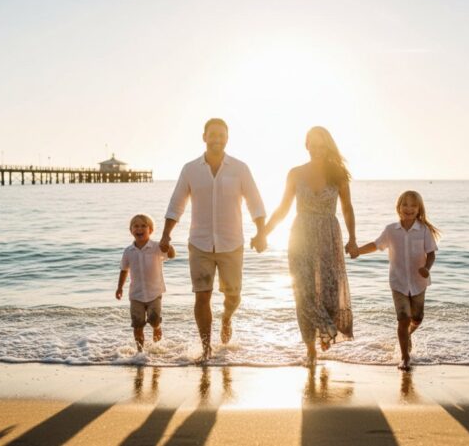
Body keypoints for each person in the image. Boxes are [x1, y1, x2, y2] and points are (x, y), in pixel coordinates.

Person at [160, 118, 266, 360]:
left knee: (233, 296)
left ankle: (227, 317)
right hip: (200, 243)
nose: (217, 139)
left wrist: (261, 232)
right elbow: (177, 203)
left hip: (232, 243)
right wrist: (166, 234)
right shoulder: (190, 169)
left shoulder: (240, 168)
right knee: (202, 295)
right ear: (204, 137)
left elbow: (255, 201)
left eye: (221, 135)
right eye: (213, 134)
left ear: (227, 139)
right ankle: (206, 348)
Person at [257, 126, 356, 366]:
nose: (318, 149)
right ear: (307, 145)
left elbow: (347, 208)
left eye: (322, 145)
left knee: (330, 292)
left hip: (329, 236)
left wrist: (352, 238)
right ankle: (311, 347)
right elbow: (283, 208)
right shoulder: (295, 173)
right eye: (314, 144)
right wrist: (263, 233)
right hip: (300, 236)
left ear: (328, 146)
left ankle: (325, 331)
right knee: (303, 292)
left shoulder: (338, 174)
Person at [354, 190, 440, 370]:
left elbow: (431, 254)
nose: (409, 208)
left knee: (417, 317)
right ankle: (405, 357)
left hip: (419, 282)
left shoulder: (423, 230)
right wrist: (358, 251)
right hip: (398, 282)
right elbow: (376, 245)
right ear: (398, 207)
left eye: (413, 205)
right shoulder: (391, 230)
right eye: (405, 205)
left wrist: (426, 268)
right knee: (403, 318)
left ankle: (407, 335)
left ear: (419, 209)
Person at [115, 214, 175, 352]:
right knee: (137, 324)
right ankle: (140, 352)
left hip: (155, 292)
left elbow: (171, 255)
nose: (139, 229)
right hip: (136, 295)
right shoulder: (128, 251)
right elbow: (124, 270)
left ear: (150, 230)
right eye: (136, 226)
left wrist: (168, 245)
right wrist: (119, 288)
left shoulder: (156, 247)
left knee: (154, 320)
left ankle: (157, 346)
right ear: (131, 230)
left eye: (143, 226)